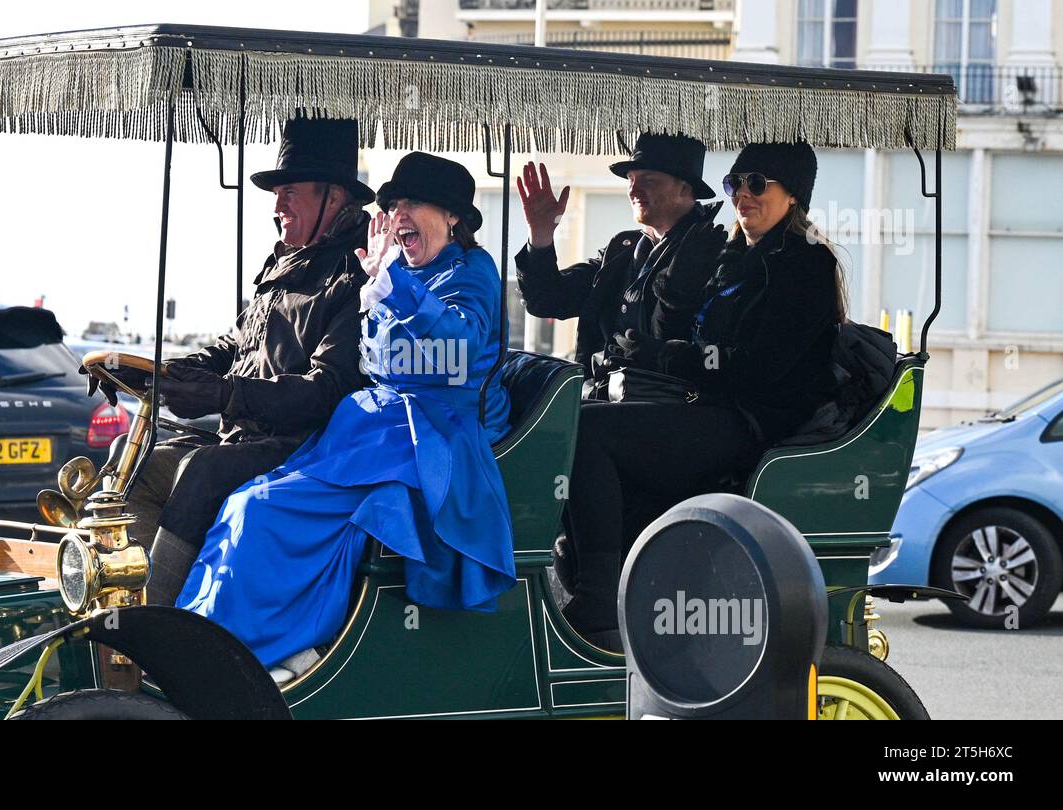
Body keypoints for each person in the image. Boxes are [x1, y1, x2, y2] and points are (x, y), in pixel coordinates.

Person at [173, 152, 515, 673]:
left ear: (453, 217)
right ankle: (200, 638)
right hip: (376, 425)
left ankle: (264, 647)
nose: (399, 214)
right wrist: (384, 290)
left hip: (433, 436)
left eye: (414, 202)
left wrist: (391, 288)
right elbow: (378, 357)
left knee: (265, 510)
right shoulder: (396, 274)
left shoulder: (473, 272)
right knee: (245, 500)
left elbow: (459, 351)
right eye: (394, 203)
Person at [561, 141, 845, 645]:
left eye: (757, 184)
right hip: (711, 404)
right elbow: (696, 337)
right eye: (736, 184)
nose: (742, 196)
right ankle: (589, 573)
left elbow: (759, 368)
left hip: (755, 420)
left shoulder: (805, 265)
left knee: (593, 435)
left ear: (794, 196)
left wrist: (669, 357)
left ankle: (600, 598)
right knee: (577, 419)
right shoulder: (733, 257)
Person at [96, 115, 375, 608]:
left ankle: (155, 623)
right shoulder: (286, 260)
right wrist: (168, 372)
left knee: (202, 470)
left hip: (304, 447)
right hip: (244, 435)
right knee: (132, 456)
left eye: (290, 190)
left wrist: (223, 395)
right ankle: (111, 604)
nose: (278, 203)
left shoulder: (355, 277)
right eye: (276, 191)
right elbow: (238, 341)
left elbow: (325, 390)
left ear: (334, 197)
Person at [514, 133, 727, 399]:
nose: (633, 190)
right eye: (631, 180)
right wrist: (541, 236)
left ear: (685, 188)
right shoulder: (621, 251)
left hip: (668, 409)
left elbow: (712, 357)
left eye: (648, 180)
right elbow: (546, 301)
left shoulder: (714, 254)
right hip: (602, 399)